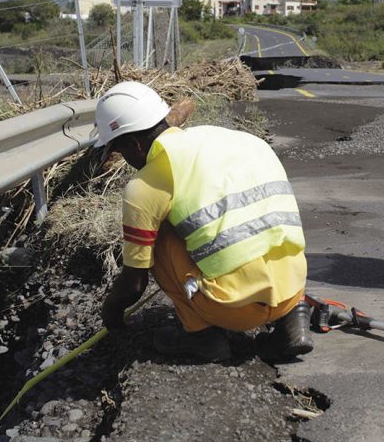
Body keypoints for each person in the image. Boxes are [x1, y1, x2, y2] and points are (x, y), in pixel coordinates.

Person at [95, 81, 313, 361]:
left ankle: (200, 335)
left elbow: (134, 283)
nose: (125, 160)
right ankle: (292, 319)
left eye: (120, 151)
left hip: (234, 309)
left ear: (133, 144)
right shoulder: (237, 140)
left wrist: (111, 310)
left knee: (156, 232)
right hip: (293, 289)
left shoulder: (145, 184)